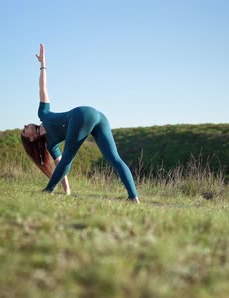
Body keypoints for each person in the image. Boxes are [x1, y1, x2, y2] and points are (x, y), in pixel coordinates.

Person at [21, 44, 140, 203]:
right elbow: (61, 166)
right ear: (30, 139)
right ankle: (134, 199)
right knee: (111, 159)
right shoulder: (51, 145)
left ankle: (48, 190)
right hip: (95, 117)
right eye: (24, 131)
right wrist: (67, 190)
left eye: (24, 127)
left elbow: (43, 88)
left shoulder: (43, 114)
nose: (25, 126)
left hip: (84, 115)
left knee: (113, 158)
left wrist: (43, 64)